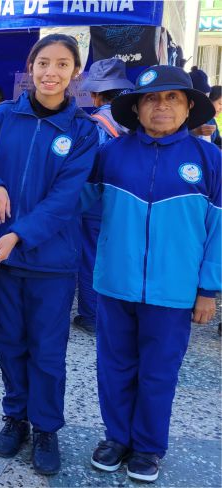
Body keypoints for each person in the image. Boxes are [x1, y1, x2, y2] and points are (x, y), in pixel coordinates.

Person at [82, 65, 219, 483]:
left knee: (158, 373)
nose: (161, 106)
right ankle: (116, 438)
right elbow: (81, 202)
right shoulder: (110, 154)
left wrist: (209, 289)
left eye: (172, 98)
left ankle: (148, 446)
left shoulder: (209, 159)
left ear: (188, 106)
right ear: (137, 108)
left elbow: (218, 232)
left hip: (174, 292)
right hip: (116, 284)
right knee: (114, 367)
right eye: (151, 99)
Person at [0, 34, 98, 475]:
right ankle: (14, 417)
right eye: (43, 62)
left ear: (74, 73)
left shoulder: (82, 131)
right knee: (8, 343)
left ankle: (45, 427)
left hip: (52, 262)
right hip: (2, 259)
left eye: (62, 64)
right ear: (31, 67)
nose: (51, 72)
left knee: (47, 350)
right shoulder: (3, 117)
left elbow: (66, 198)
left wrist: (20, 233)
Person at [73, 58, 134, 334]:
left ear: (96, 94)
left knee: (90, 256)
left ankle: (91, 315)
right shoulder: (134, 117)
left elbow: (89, 166)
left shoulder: (96, 122)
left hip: (97, 199)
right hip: (128, 197)